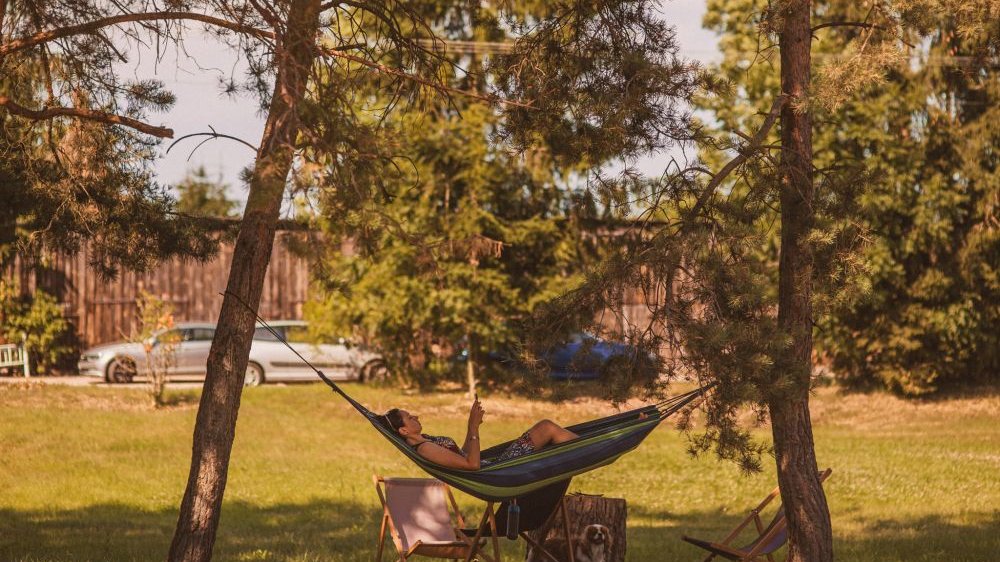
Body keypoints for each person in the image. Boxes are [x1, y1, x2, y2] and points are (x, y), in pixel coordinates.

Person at [380, 396, 579, 470]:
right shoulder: (425, 449)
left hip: (495, 465)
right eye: (409, 417)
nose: (415, 416)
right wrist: (474, 428)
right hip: (498, 472)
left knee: (546, 429)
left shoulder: (426, 440)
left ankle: (587, 447)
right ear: (403, 430)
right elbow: (472, 464)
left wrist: (471, 426)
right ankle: (590, 448)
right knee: (546, 428)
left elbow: (464, 455)